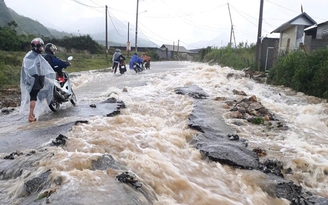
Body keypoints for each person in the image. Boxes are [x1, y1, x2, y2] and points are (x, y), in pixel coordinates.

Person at [20, 38, 56, 122]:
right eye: (41, 46)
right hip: (35, 79)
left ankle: (31, 114)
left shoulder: (29, 55)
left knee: (34, 96)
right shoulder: (37, 57)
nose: (42, 48)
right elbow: (43, 69)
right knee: (34, 97)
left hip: (29, 79)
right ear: (38, 47)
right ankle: (30, 116)